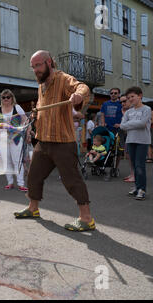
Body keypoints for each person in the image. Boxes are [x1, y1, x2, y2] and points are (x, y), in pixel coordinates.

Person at [14, 50, 95, 232]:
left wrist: (78, 96)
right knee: (34, 176)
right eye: (33, 67)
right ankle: (33, 208)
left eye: (38, 65)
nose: (35, 70)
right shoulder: (41, 85)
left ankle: (86, 218)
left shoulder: (63, 78)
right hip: (43, 141)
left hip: (62, 141)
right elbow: (44, 109)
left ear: (49, 62)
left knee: (72, 179)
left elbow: (82, 87)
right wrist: (36, 113)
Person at [0, 89, 29, 191]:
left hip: (16, 138)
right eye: (3, 97)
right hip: (3, 138)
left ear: (12, 98)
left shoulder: (17, 108)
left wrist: (21, 128)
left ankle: (21, 183)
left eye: (8, 97)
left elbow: (25, 120)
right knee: (6, 161)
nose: (6, 99)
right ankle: (10, 182)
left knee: (17, 161)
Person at [120, 86, 151, 201]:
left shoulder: (146, 109)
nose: (130, 99)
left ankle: (142, 189)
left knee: (139, 166)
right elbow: (122, 126)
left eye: (132, 96)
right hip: (130, 140)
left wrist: (129, 124)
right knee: (134, 165)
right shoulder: (128, 112)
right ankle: (137, 187)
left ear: (140, 96)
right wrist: (134, 123)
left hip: (142, 141)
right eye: (128, 98)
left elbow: (142, 123)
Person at [119, 94, 134, 182]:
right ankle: (132, 173)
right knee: (128, 155)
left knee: (133, 156)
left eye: (124, 101)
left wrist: (123, 125)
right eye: (121, 102)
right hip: (125, 135)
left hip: (133, 135)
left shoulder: (132, 111)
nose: (122, 103)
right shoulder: (121, 111)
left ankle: (135, 175)